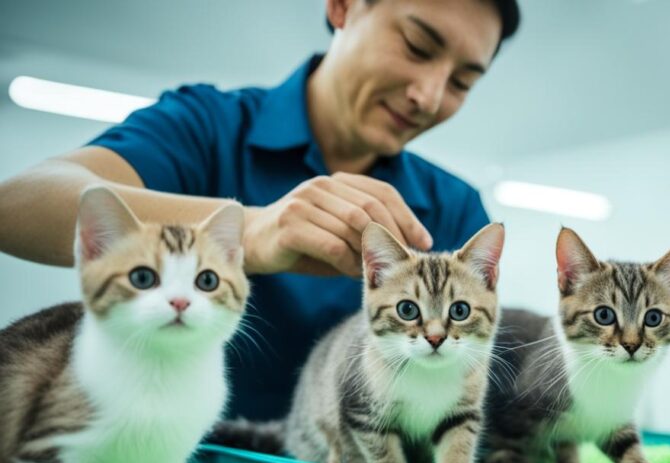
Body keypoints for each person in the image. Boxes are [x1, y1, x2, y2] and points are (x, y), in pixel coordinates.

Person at [0, 0, 521, 419]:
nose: (428, 97)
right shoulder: (207, 127)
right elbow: (19, 203)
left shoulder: (453, 210)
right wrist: (253, 229)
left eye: (462, 83)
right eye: (417, 45)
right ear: (341, 7)